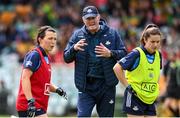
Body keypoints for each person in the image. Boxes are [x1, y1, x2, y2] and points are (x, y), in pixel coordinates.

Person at [63, 5, 127, 117]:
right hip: (86, 86)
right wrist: (74, 49)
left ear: (99, 17)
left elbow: (124, 54)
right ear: (83, 20)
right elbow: (66, 58)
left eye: (93, 17)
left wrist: (110, 53)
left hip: (106, 85)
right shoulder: (77, 35)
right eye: (88, 18)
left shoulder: (112, 33)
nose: (91, 21)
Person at [16, 26, 67, 117]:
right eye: (50, 38)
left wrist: (57, 90)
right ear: (40, 39)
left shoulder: (46, 58)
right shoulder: (35, 55)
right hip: (30, 104)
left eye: (55, 39)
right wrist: (30, 101)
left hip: (39, 105)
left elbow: (44, 83)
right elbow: (25, 78)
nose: (53, 42)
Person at [113, 24, 162, 117]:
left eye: (158, 42)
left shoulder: (158, 55)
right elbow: (117, 68)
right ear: (145, 40)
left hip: (149, 98)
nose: (155, 44)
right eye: (152, 42)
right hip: (134, 97)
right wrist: (127, 86)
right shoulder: (136, 54)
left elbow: (155, 74)